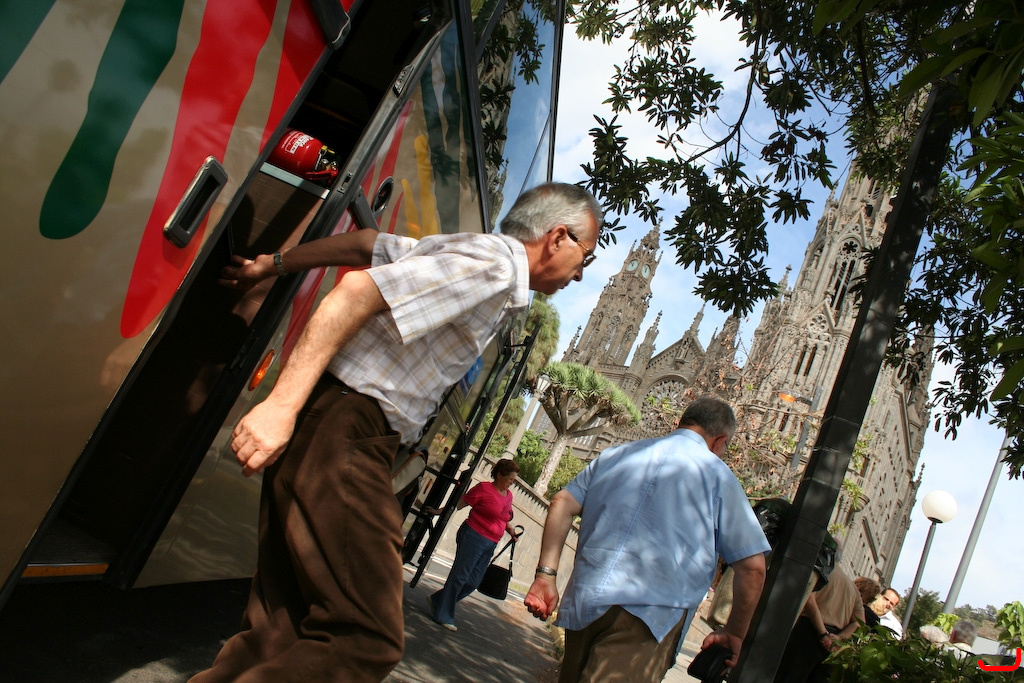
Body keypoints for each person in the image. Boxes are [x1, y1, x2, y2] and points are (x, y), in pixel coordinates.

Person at [189, 182, 603, 683]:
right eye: (586, 256)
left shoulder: (469, 249)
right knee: (367, 636)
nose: (581, 273)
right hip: (347, 429)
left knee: (278, 628)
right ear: (557, 237)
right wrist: (281, 404)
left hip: (337, 425)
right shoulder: (496, 267)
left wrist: (272, 264)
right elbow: (356, 291)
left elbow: (367, 243)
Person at [524, 396, 770, 683]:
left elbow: (562, 502)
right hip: (649, 619)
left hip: (586, 601)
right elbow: (753, 569)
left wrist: (546, 574)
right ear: (719, 441)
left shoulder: (616, 455)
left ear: (682, 423)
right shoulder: (718, 477)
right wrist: (735, 633)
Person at [425, 458, 521, 631]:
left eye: (514, 480)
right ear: (500, 475)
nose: (512, 483)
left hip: (491, 543)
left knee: (473, 582)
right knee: (460, 577)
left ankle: (438, 601)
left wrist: (511, 531)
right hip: (473, 536)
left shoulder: (508, 496)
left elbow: (503, 517)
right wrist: (438, 512)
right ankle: (443, 615)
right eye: (510, 479)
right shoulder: (483, 489)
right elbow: (459, 503)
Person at [773, 561, 865, 683]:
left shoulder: (823, 572)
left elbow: (810, 600)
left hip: (808, 632)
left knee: (788, 676)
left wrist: (823, 634)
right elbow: (859, 623)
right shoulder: (853, 589)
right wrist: (839, 638)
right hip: (833, 645)